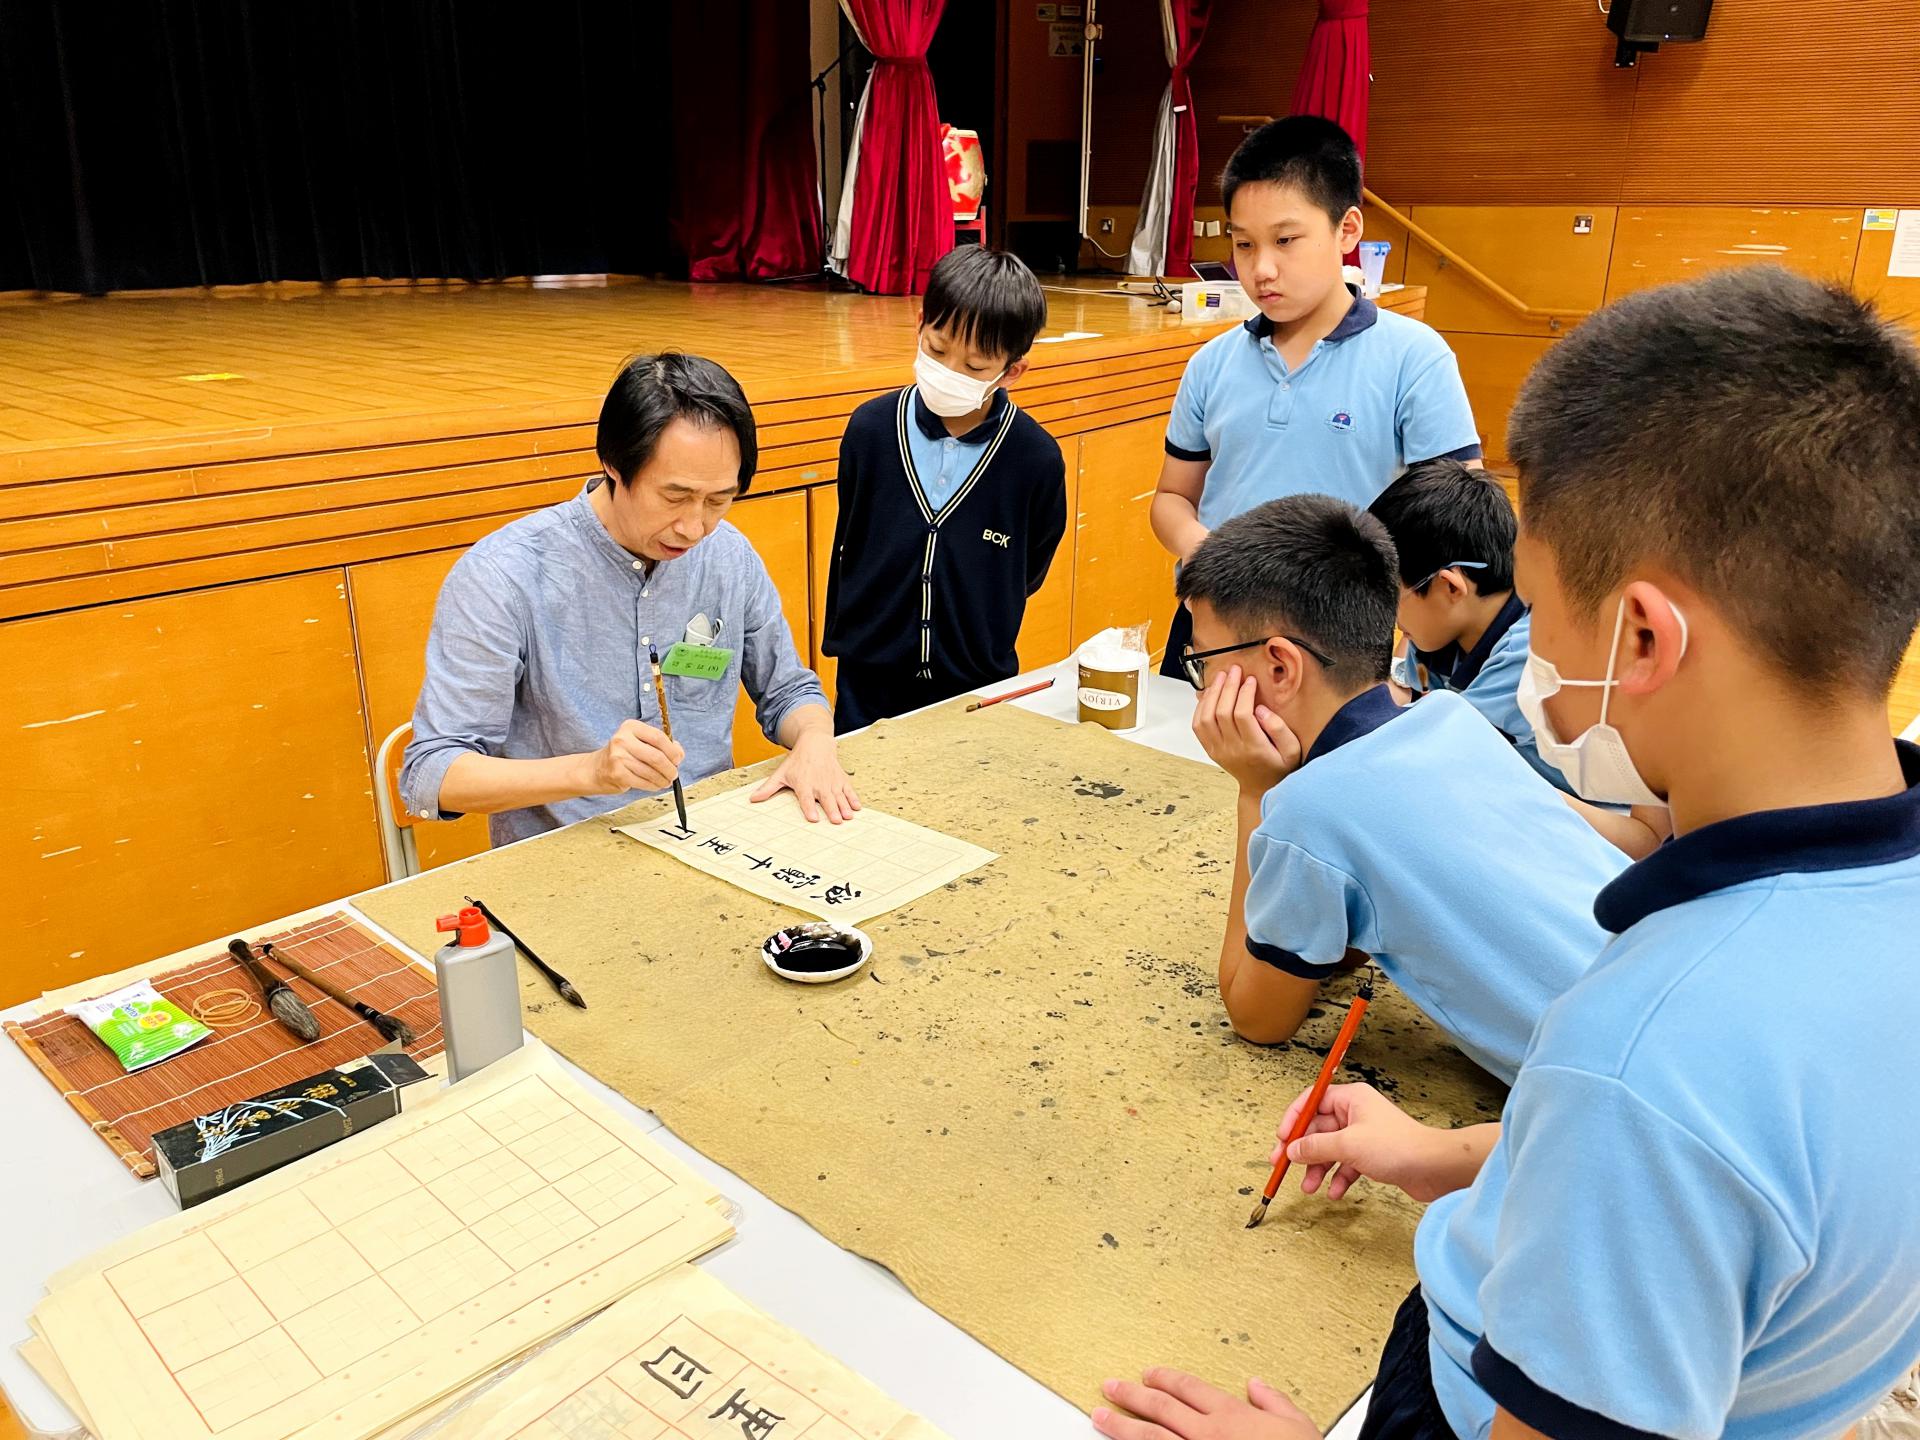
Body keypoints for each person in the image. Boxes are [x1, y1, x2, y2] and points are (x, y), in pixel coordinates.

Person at [1097, 266, 1920, 1440]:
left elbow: (1642, 1135)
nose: (1531, 665)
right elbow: (1720, 1212)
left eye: (1535, 609)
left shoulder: (1639, 1066)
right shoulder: (1842, 920)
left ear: (1641, 636)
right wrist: (1457, 1154)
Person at [1176, 494, 1624, 1084]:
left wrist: (1255, 794)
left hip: (1623, 1083)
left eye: (1205, 661)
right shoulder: (1450, 716)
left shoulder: (1308, 813)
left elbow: (1257, 1016)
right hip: (1679, 984)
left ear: (1280, 667)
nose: (1204, 682)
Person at [401, 352, 856, 847]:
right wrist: (592, 771)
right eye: (675, 497)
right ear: (614, 465)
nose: (694, 527)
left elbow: (788, 691)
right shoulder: (505, 575)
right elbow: (433, 774)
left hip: (710, 840)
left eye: (718, 500)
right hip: (567, 856)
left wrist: (814, 740)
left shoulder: (728, 557)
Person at [1150, 116, 1480, 677]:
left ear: (1347, 230)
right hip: (1215, 625)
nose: (1261, 269)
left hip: (1342, 645)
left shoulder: (1414, 357)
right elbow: (1172, 497)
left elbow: (1456, 525)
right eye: (1243, 244)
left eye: (1285, 240)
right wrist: (1203, 549)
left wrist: (1412, 642)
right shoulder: (1211, 363)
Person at [1369, 459, 1673, 858]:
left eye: (1390, 596)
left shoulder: (1524, 661)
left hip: (1611, 839)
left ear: (1450, 587)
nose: (1387, 617)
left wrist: (1512, 786)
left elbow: (1430, 753)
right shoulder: (1436, 634)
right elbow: (1408, 690)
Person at [823, 246, 1068, 731]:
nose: (950, 371)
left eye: (975, 367)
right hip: (866, 684)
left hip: (976, 689)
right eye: (937, 350)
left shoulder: (1035, 459)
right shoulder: (870, 430)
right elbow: (854, 530)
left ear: (1012, 371)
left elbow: (1029, 568)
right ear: (920, 325)